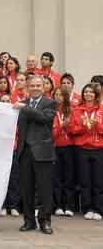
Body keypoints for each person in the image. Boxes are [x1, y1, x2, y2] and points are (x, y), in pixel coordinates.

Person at [13, 75, 57, 234]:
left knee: (44, 189)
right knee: (26, 189)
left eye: (38, 85)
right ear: (27, 87)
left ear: (44, 87)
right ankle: (29, 221)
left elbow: (44, 118)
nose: (35, 88)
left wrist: (24, 108)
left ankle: (45, 221)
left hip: (43, 152)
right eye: (32, 86)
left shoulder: (49, 103)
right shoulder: (21, 104)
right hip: (24, 152)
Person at [68, 83, 103, 221]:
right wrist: (84, 126)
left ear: (96, 95)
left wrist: (97, 125)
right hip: (82, 149)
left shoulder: (101, 110)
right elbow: (72, 130)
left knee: (98, 181)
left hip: (99, 149)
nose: (88, 94)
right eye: (86, 92)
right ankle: (87, 208)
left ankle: (98, 209)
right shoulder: (77, 110)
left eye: (91, 92)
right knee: (85, 180)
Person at [51, 87, 76, 217]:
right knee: (57, 177)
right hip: (55, 146)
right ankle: (58, 205)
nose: (58, 97)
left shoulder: (71, 110)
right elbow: (51, 133)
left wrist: (69, 126)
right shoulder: (50, 111)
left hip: (69, 147)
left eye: (61, 95)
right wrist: (61, 126)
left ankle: (69, 206)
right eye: (56, 94)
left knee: (68, 177)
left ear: (66, 97)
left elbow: (76, 131)